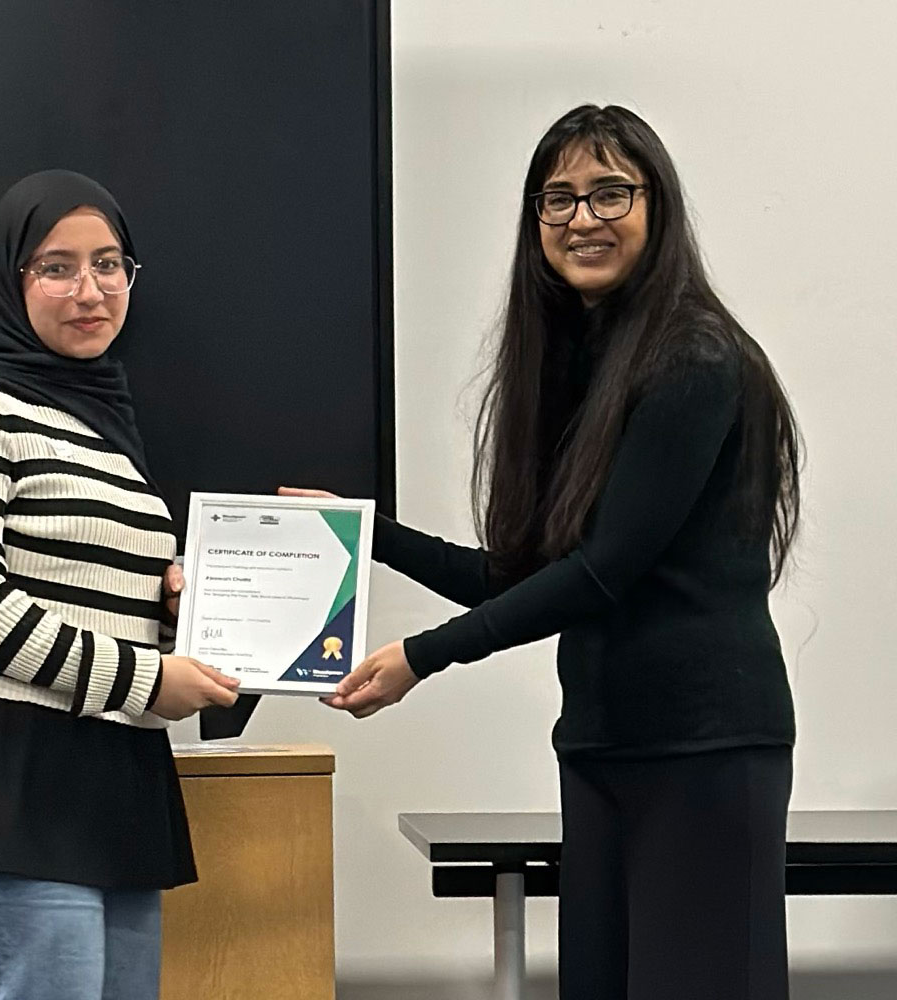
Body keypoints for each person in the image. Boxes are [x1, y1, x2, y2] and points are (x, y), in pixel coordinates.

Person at [283, 104, 801, 1000]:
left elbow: (601, 574)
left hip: (706, 745)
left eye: (610, 193)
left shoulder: (697, 358)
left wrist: (421, 656)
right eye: (556, 200)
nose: (581, 220)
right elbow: (527, 574)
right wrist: (363, 536)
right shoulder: (587, 362)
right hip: (602, 744)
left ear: (658, 206)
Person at [0, 170, 240, 1000]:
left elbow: (92, 600)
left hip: (113, 777)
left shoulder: (107, 426)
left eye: (110, 263)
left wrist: (178, 611)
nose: (90, 289)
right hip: (5, 777)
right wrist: (146, 678)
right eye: (56, 266)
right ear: (9, 277)